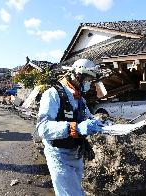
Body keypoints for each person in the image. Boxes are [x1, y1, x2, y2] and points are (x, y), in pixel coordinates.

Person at [36, 59, 103, 195]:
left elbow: (88, 118)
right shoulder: (53, 94)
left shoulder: (80, 100)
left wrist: (101, 124)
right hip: (59, 155)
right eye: (88, 80)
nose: (90, 84)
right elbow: (42, 128)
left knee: (76, 190)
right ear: (79, 76)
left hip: (75, 153)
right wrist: (74, 128)